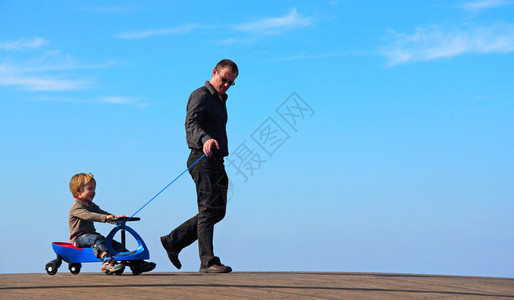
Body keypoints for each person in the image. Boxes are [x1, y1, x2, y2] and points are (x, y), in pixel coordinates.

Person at [161, 59, 238, 273]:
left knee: (217, 212)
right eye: (224, 80)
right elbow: (191, 124)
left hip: (217, 160)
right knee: (206, 211)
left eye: (231, 83)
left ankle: (173, 241)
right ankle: (208, 261)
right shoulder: (201, 95)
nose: (226, 86)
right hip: (200, 159)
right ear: (214, 72)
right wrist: (204, 139)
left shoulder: (221, 99)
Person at [69, 172, 156, 274]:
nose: (93, 192)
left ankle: (136, 264)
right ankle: (107, 262)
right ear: (78, 191)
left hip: (92, 237)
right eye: (90, 189)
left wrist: (117, 219)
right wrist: (105, 218)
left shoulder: (91, 205)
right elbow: (89, 215)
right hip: (79, 238)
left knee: (114, 244)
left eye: (94, 189)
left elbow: (102, 213)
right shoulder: (76, 207)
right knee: (97, 239)